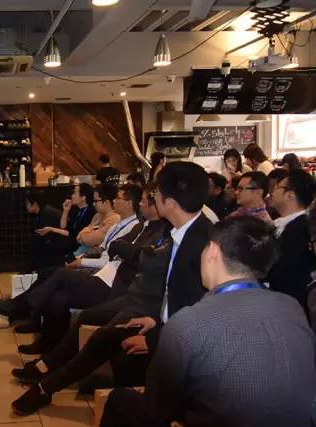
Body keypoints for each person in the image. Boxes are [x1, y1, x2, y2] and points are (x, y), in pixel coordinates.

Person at [11, 162, 213, 415]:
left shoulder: (203, 241)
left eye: (156, 193)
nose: (151, 198)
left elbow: (202, 306)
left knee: (104, 338)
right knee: (99, 335)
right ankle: (45, 386)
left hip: (178, 337)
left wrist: (157, 335)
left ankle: (45, 385)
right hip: (156, 316)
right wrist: (157, 320)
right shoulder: (182, 231)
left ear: (170, 201)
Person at [101, 216, 316, 427]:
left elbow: (156, 409)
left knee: (120, 400)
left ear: (212, 250)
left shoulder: (190, 321)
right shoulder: (291, 306)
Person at [11, 183, 169, 386]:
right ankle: (48, 354)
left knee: (61, 277)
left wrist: (125, 251)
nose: (140, 204)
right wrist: (125, 251)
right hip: (114, 278)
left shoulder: (158, 230)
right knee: (58, 298)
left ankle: (20, 310)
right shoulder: (140, 226)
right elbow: (110, 245)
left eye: (144, 201)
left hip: (120, 287)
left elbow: (137, 256)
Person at [14, 185, 142, 353]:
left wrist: (82, 261)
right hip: (97, 269)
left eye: (118, 198)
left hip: (106, 278)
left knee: (59, 273)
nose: (114, 201)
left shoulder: (132, 226)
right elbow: (90, 242)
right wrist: (82, 255)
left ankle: (20, 308)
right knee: (58, 297)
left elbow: (102, 252)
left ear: (129, 203)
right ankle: (48, 342)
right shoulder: (115, 223)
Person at [268, 169, 316, 316]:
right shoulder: (285, 224)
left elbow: (285, 271)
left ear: (290, 195)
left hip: (291, 307)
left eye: (277, 188)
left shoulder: (300, 230)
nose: (272, 192)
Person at [35, 184, 96, 265]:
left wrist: (51, 229)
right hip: (71, 239)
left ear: (83, 197)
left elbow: (74, 234)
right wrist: (66, 210)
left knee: (52, 244)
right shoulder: (76, 209)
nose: (72, 196)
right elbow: (63, 226)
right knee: (43, 240)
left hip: (79, 242)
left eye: (75, 193)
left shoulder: (91, 212)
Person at [74, 184, 120, 254]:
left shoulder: (114, 219)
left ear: (106, 202)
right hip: (83, 252)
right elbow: (79, 237)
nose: (93, 204)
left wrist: (90, 227)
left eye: (95, 201)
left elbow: (89, 240)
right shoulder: (98, 215)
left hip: (94, 256)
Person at [26, 191, 63, 271]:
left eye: (27, 203)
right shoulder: (43, 213)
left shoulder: (48, 214)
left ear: (35, 204)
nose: (26, 206)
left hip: (56, 251)